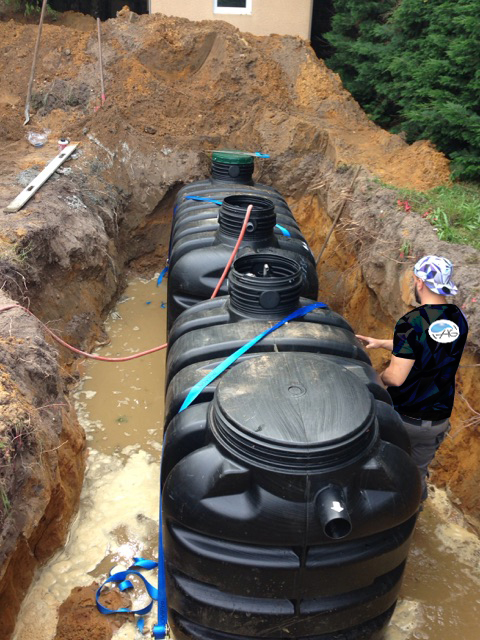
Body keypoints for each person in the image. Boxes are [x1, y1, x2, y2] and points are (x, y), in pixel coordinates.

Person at [356, 255, 468, 502]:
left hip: (403, 418)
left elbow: (396, 377)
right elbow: (429, 346)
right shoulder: (458, 318)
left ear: (419, 282)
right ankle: (411, 512)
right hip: (436, 421)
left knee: (380, 467)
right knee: (415, 475)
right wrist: (383, 343)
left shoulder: (412, 322)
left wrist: (377, 380)